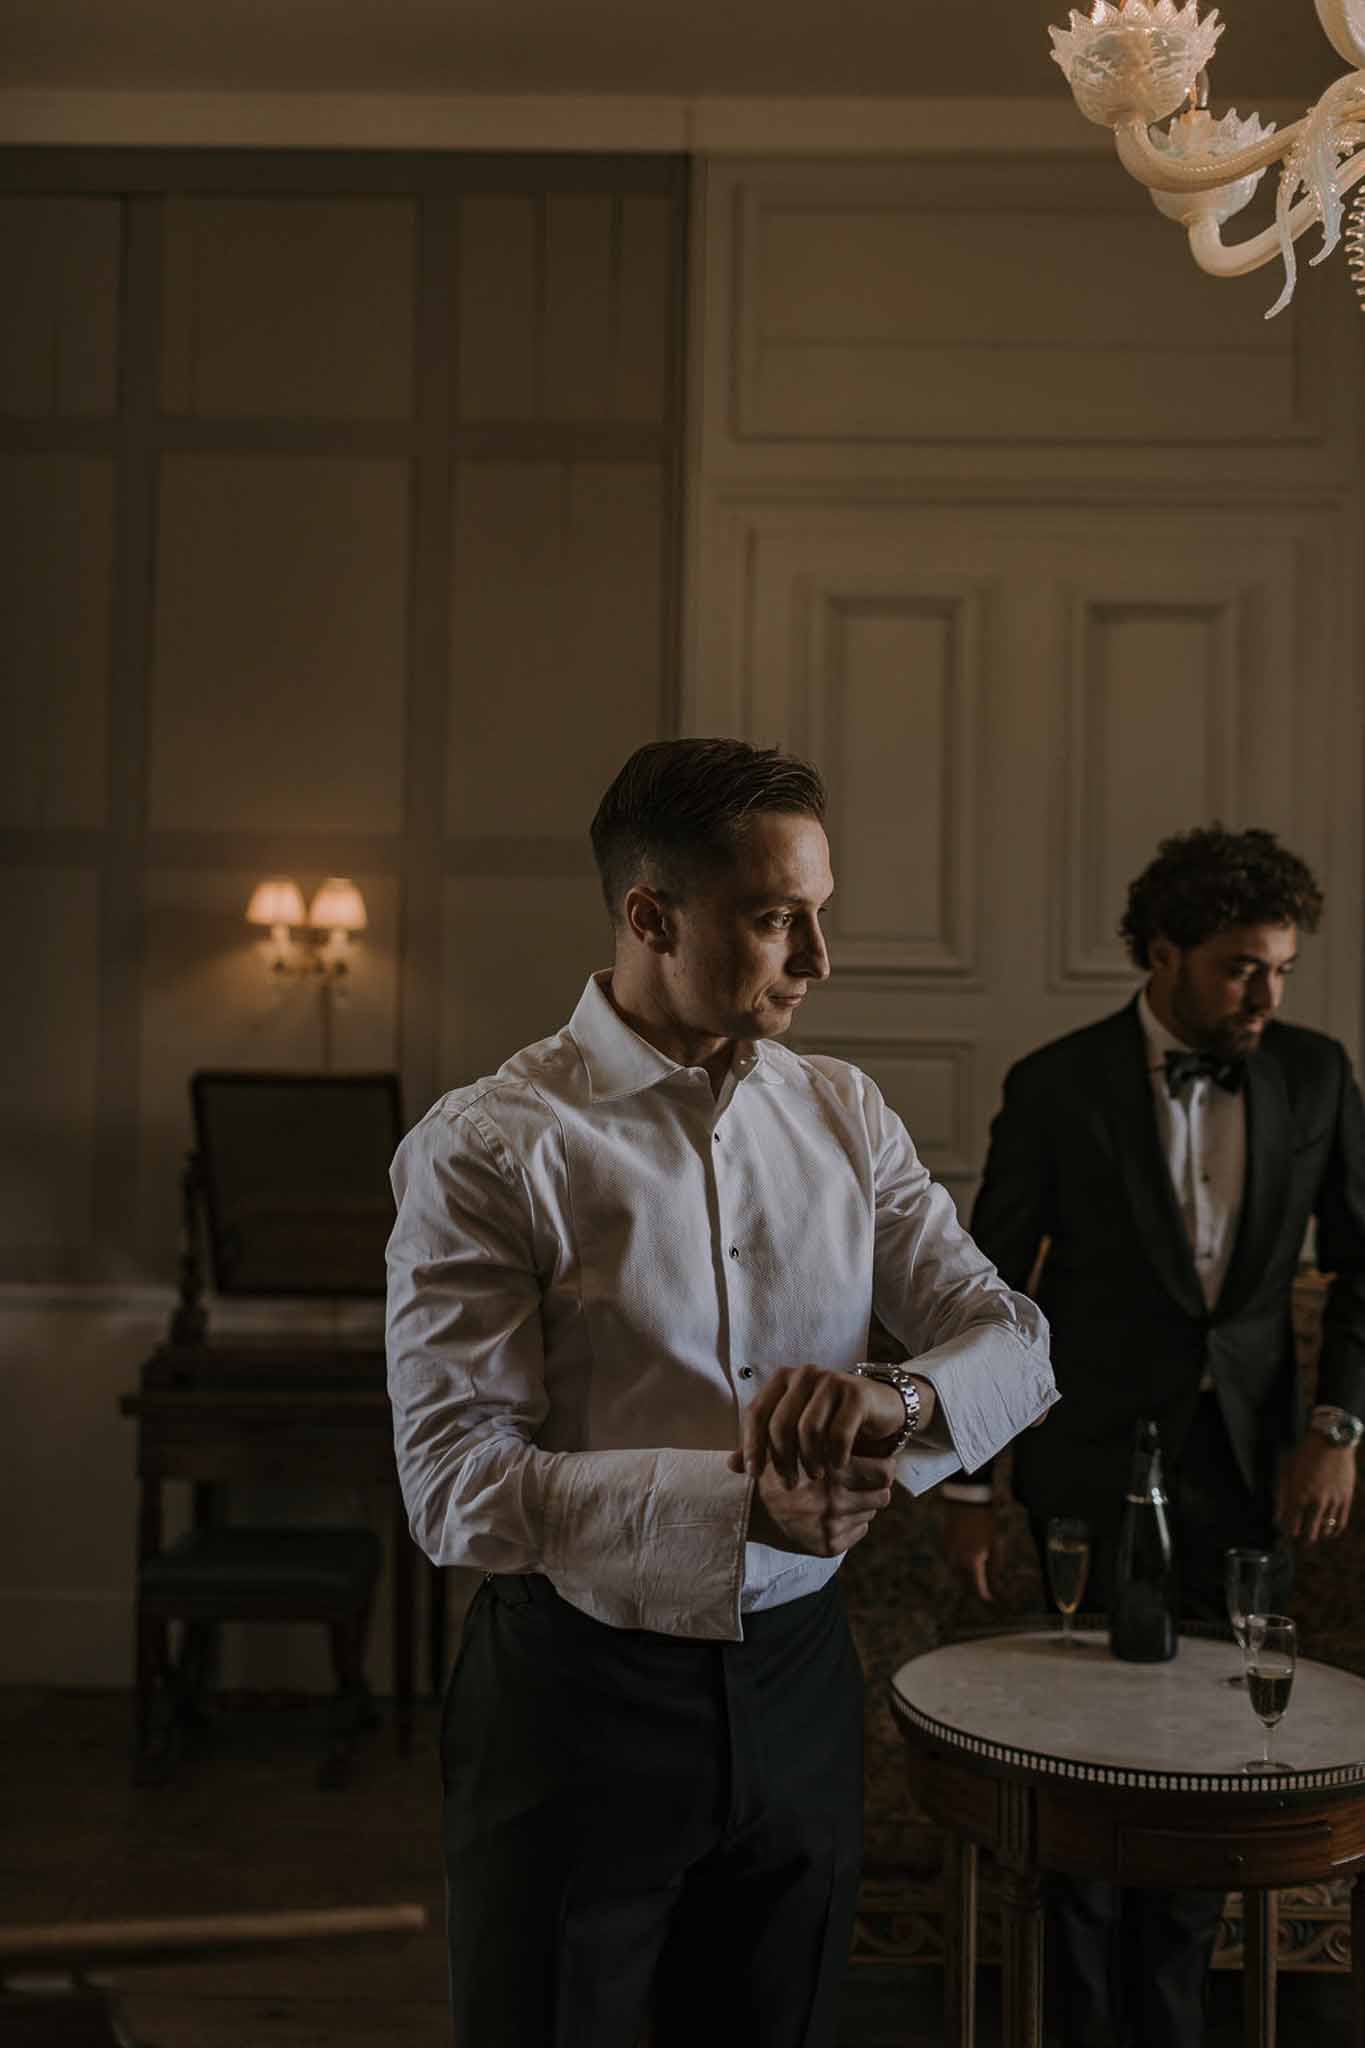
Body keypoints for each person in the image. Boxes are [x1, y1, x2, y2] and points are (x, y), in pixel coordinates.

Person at [386, 737, 1056, 2048]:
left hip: (803, 1683)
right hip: (575, 1702)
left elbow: (1011, 1337)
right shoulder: (487, 1146)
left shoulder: (846, 1113)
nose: (817, 959)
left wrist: (893, 1409)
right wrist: (744, 1505)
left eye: (819, 915)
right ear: (650, 915)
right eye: (774, 920)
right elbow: (452, 1490)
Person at [944, 823, 1365, 2048]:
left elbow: (1364, 1265)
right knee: (1081, 1759)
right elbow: (985, 1287)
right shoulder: (1056, 1081)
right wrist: (973, 1482)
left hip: (1252, 1471)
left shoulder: (1318, 1073)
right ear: (1165, 952)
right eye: (1243, 966)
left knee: (1211, 1751)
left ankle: (1169, 2025)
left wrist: (1336, 1424)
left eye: (1282, 967)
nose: (1268, 992)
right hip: (1087, 1469)